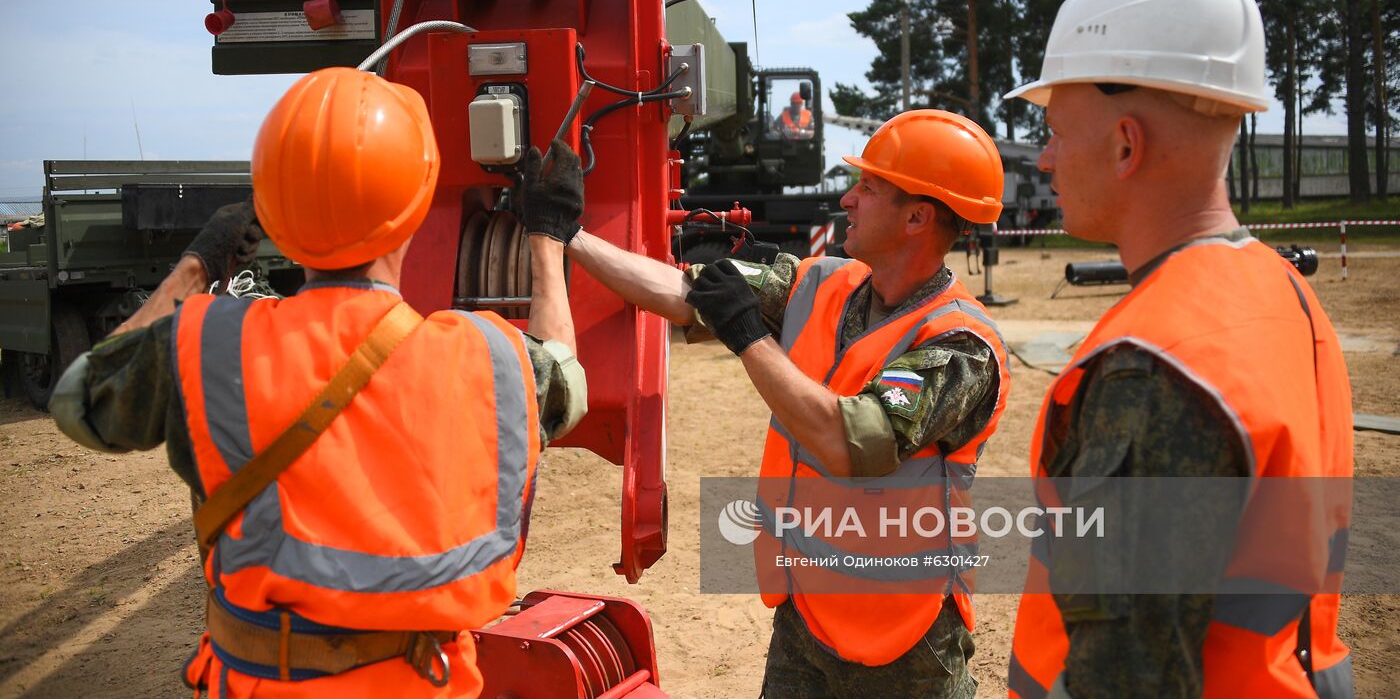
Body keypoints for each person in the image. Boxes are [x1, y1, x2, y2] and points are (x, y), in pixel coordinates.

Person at [50, 67, 589, 698]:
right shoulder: (492, 358)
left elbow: (79, 401)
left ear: (275, 215)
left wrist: (198, 265)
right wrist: (546, 241)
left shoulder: (210, 345)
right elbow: (566, 378)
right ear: (415, 211)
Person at [542, 109, 1012, 698]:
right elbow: (687, 292)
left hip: (906, 629)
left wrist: (750, 339)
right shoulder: (824, 285)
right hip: (806, 611)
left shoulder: (960, 343)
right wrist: (567, 233)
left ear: (918, 216)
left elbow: (853, 442)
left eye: (868, 188)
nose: (847, 200)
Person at [1002, 0, 1353, 698]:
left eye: (1057, 133)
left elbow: (1126, 678)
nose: (1045, 157)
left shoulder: (1153, 367)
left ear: (1127, 146)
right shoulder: (1282, 291)